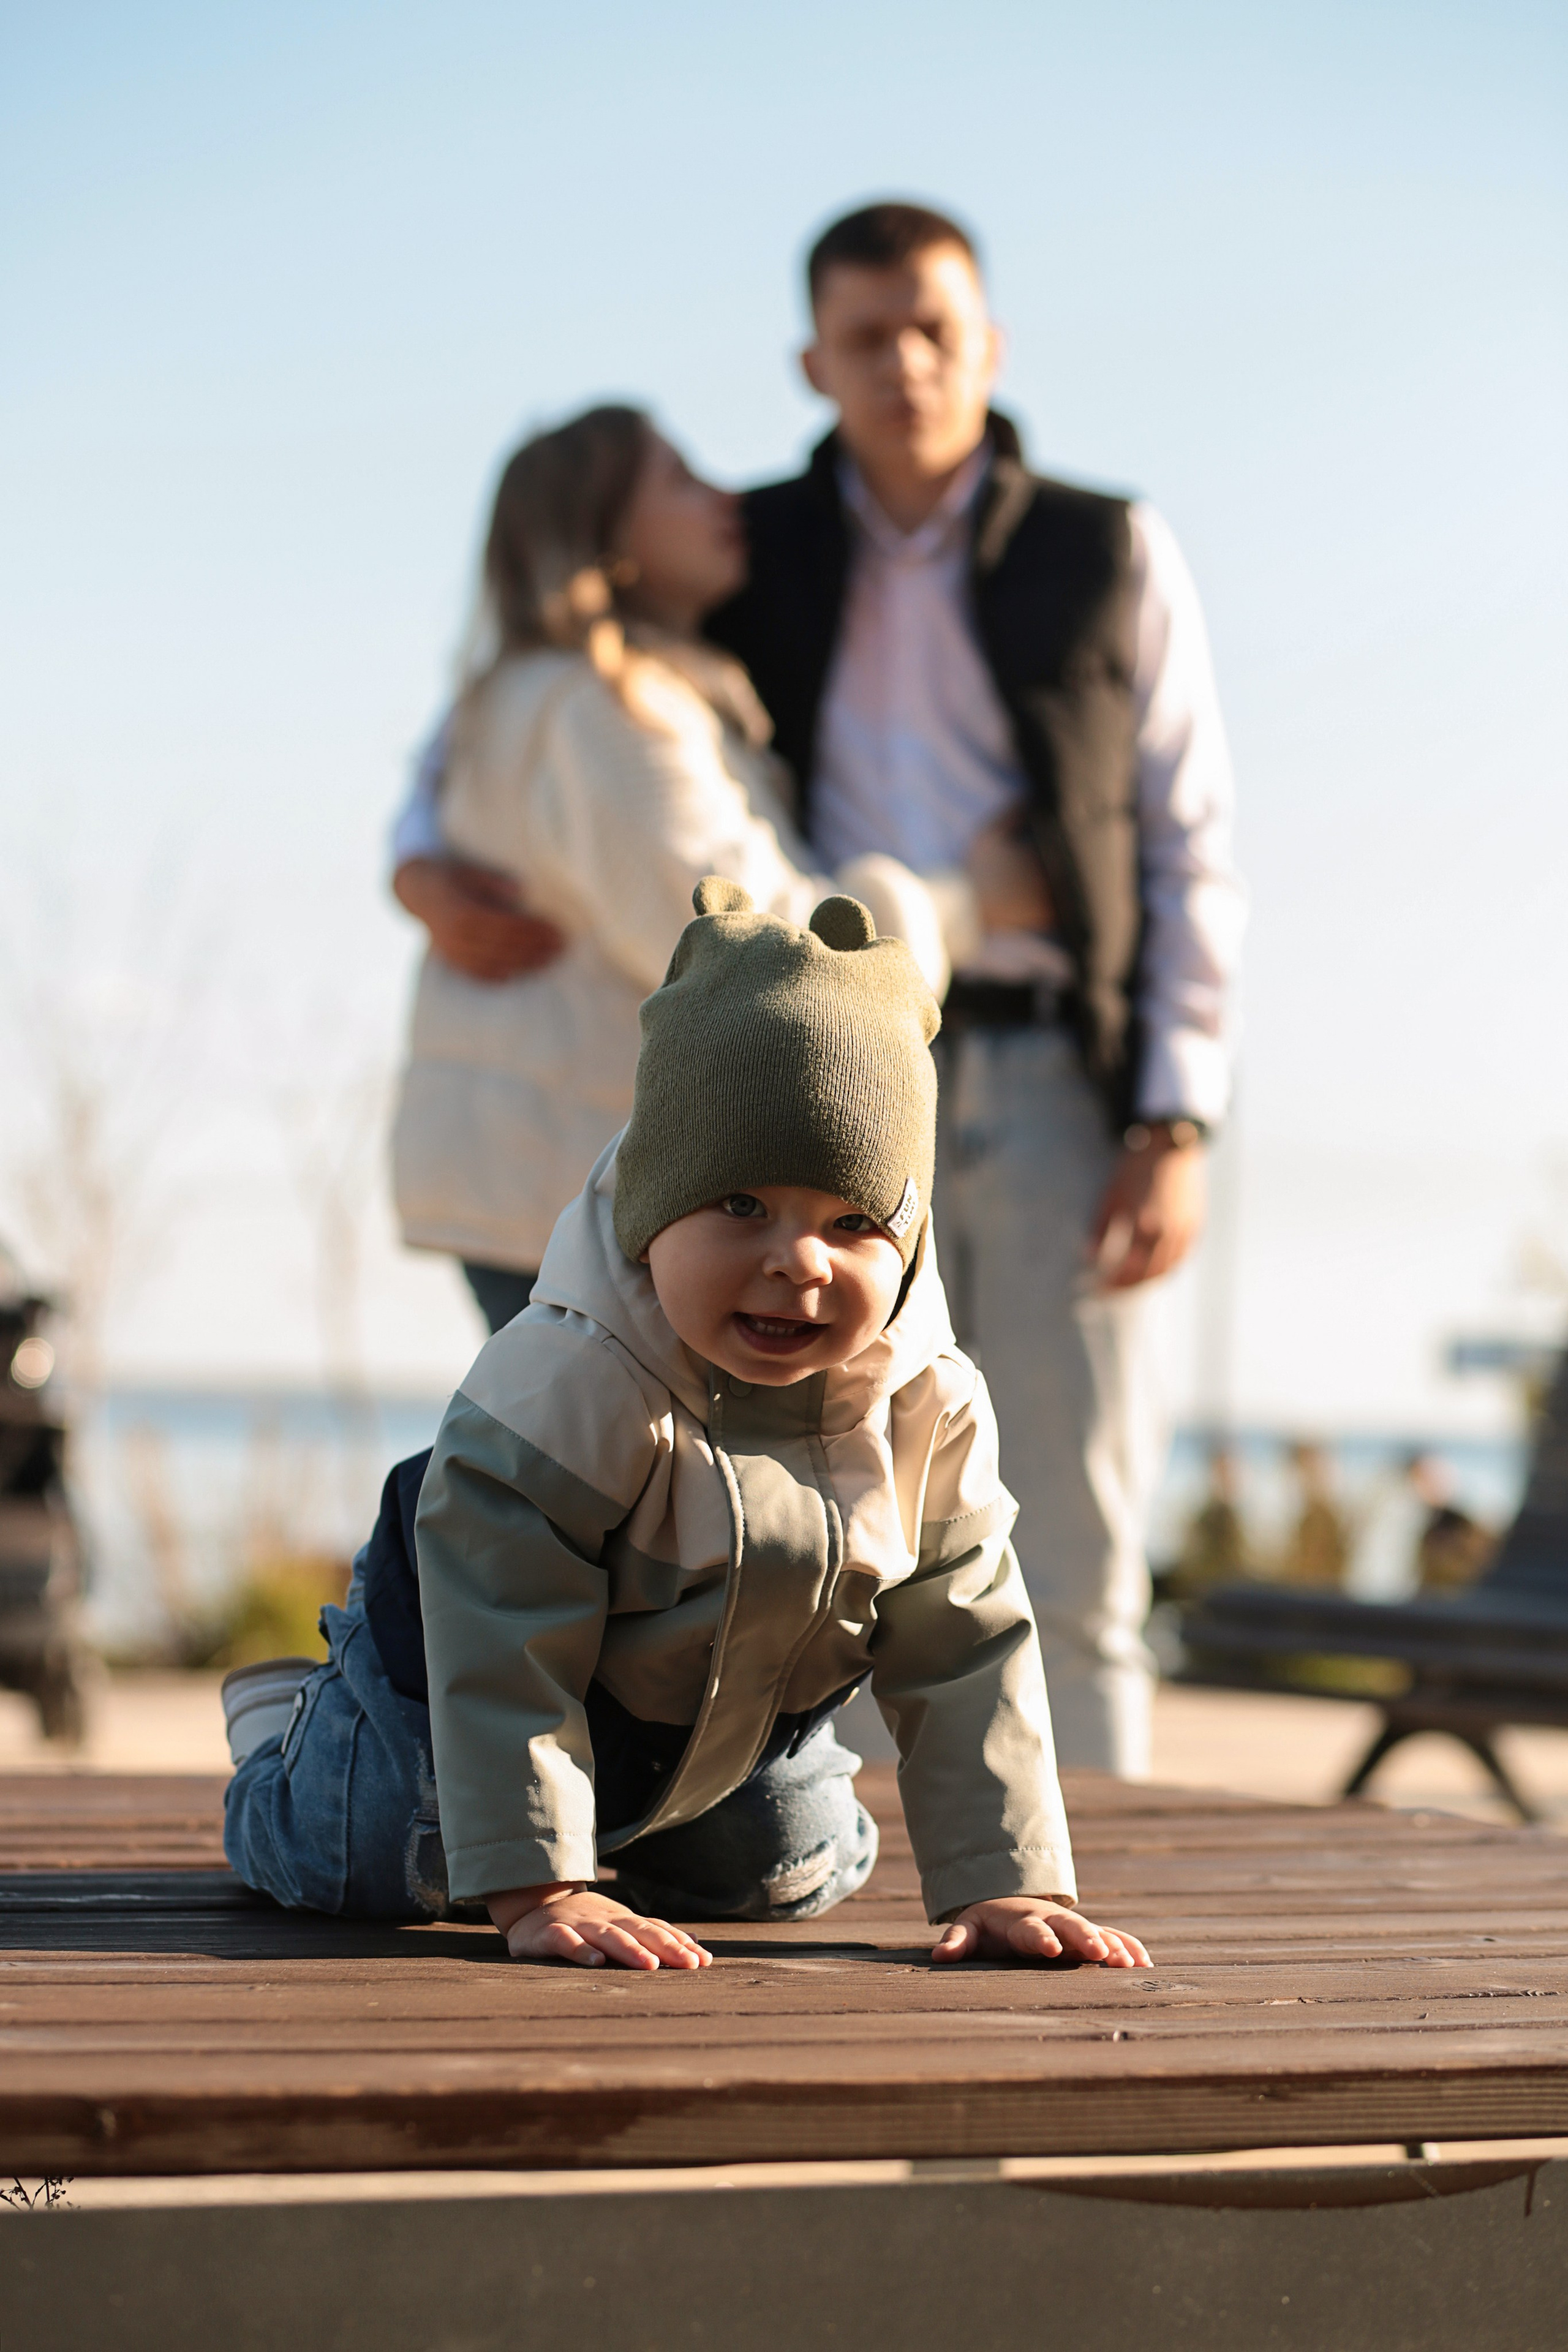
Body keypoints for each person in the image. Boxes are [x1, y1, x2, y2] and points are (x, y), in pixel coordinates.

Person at [394, 203, 1244, 1777]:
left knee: (1066, 1523)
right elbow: (528, 708)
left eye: (936, 328)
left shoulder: (1109, 545)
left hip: (1056, 1071)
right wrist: (415, 858)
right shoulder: (752, 544)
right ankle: (837, 1865)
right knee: (837, 1509)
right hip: (814, 1096)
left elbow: (1191, 840)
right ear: (813, 362)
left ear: (989, 342)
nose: (907, 363)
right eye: (867, 337)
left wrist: (1176, 1112)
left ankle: (1094, 1873)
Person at [223, 881, 1150, 1972]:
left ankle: (616, 1834)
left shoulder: (926, 1404)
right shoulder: (575, 1375)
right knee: (378, 1859)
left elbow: (966, 1641)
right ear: (652, 1206)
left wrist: (1006, 1881)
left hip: (717, 1729)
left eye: (853, 1223)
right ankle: (289, 1732)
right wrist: (539, 1889)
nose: (797, 1260)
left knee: (789, 1872)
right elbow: (504, 1635)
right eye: (741, 1207)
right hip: (448, 1689)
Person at [390, 404, 948, 1336]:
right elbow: (774, 960)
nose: (722, 496)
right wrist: (960, 908)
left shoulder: (540, 694)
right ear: (604, 534)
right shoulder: (601, 712)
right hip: (581, 1196)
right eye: (680, 481)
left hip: (555, 1181)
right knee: (621, 1480)